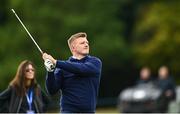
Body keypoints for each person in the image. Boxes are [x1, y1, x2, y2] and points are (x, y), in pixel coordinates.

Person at [42, 32, 102, 113]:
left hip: (89, 111)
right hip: (68, 111)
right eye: (82, 43)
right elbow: (52, 90)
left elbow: (82, 69)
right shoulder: (62, 68)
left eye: (87, 42)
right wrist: (50, 71)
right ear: (73, 47)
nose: (86, 45)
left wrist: (56, 62)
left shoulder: (95, 62)